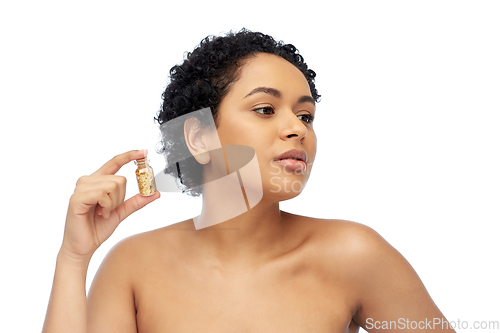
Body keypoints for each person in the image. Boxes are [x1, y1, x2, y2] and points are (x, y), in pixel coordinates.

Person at [43, 29, 455, 332]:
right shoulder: (132, 267)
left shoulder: (355, 255)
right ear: (199, 136)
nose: (297, 129)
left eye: (306, 115)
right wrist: (73, 257)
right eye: (264, 109)